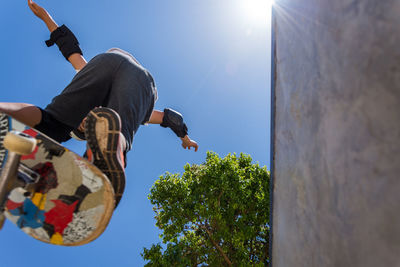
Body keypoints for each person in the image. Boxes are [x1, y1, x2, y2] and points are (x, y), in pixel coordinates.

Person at [0, 0, 198, 206]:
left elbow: (69, 48)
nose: (84, 122)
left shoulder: (97, 88)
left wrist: (46, 18)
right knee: (109, 130)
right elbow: (171, 118)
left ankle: (103, 158)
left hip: (118, 69)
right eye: (85, 127)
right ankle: (3, 111)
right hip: (133, 78)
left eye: (81, 125)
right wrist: (185, 137)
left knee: (55, 122)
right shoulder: (139, 113)